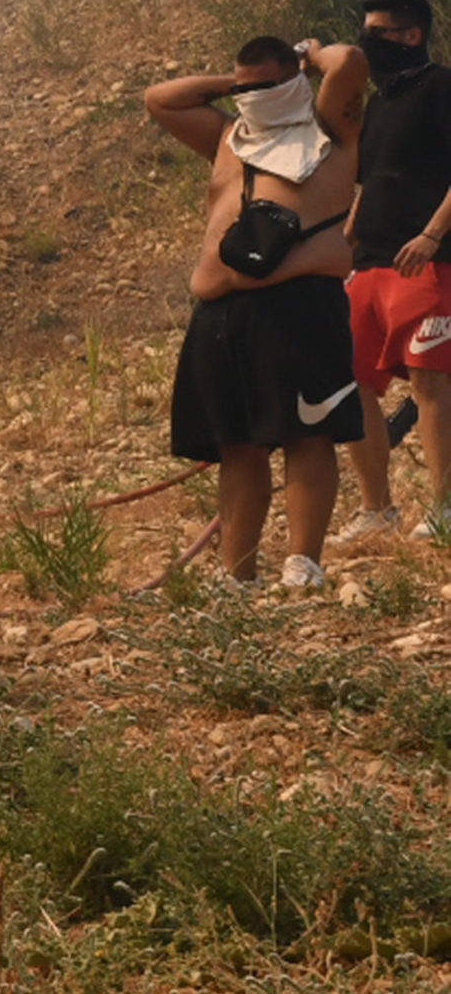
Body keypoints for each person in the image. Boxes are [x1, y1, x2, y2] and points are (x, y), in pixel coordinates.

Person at [146, 35, 367, 586]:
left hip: (297, 306)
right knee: (238, 445)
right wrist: (238, 86)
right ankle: (237, 575)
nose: (256, 97)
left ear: (295, 79)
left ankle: (303, 562)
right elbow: (161, 99)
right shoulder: (229, 136)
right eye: (246, 89)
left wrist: (310, 56)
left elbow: (349, 62)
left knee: (307, 434)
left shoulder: (328, 132)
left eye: (268, 85)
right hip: (220, 313)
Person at [345, 0, 451, 532]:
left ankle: (444, 508)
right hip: (369, 263)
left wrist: (433, 234)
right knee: (354, 382)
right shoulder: (379, 101)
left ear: (412, 35)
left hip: (426, 261)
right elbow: (369, 179)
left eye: (377, 32)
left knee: (429, 381)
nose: (367, 42)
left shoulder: (441, 87)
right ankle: (377, 509)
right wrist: (347, 236)